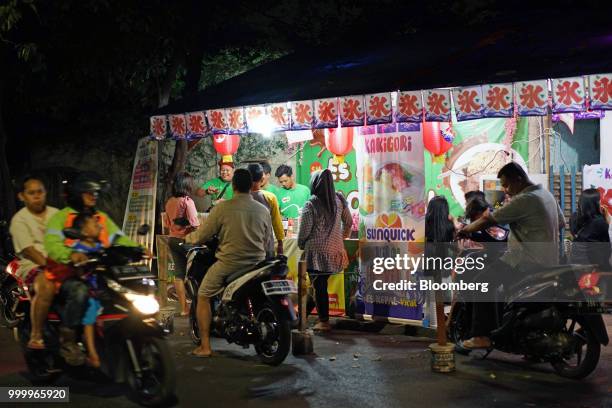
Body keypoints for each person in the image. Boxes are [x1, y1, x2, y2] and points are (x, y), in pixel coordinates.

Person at [459, 162, 565, 349]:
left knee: (481, 283)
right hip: (550, 261)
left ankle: (481, 335)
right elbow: (561, 223)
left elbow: (487, 220)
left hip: (524, 261)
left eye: (507, 185)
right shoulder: (546, 195)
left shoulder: (525, 199)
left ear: (519, 179)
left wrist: (465, 230)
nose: (506, 191)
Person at [44, 173, 140, 365]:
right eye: (89, 192)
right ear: (76, 194)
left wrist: (138, 249)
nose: (94, 195)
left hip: (96, 272)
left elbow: (118, 238)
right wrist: (70, 255)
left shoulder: (100, 218)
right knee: (80, 292)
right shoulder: (61, 218)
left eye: (95, 192)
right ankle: (68, 339)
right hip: (66, 274)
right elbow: (52, 243)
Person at [186, 169, 273, 357]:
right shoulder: (263, 210)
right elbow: (268, 241)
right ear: (252, 185)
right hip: (257, 265)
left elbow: (203, 234)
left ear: (233, 186)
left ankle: (206, 346)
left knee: (203, 295)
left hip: (229, 263)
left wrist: (189, 238)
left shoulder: (223, 208)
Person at [297, 169, 352, 332]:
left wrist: (301, 244)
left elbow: (304, 232)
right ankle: (301, 318)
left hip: (315, 253)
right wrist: (339, 239)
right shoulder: (339, 200)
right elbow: (349, 222)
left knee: (319, 286)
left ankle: (324, 321)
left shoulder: (311, 203)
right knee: (317, 285)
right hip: (334, 251)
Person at [9, 176, 59, 350]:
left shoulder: (56, 214)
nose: (37, 196)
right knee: (46, 285)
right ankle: (36, 335)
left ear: (45, 193)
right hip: (32, 265)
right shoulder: (19, 220)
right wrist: (52, 266)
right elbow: (29, 251)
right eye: (31, 193)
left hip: (60, 262)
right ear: (22, 196)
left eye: (40, 192)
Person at [69, 212, 104, 367]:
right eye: (94, 224)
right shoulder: (78, 249)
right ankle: (92, 353)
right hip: (89, 289)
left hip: (103, 287)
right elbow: (77, 270)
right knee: (90, 312)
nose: (99, 226)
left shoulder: (100, 246)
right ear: (83, 231)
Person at [163, 172, 200, 316]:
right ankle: (198, 307)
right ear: (187, 185)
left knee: (179, 275)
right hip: (186, 241)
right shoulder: (187, 201)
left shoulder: (170, 201)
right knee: (196, 274)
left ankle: (184, 309)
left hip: (172, 240)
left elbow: (167, 223)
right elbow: (195, 224)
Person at [247, 163, 285, 256]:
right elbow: (276, 222)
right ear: (262, 178)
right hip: (266, 247)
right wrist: (280, 243)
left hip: (246, 248)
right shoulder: (270, 197)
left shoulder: (241, 197)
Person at [569, 189, 611, 270]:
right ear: (595, 204)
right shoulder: (600, 222)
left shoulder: (573, 217)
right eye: (599, 201)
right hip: (594, 266)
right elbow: (606, 247)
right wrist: (607, 222)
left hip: (575, 263)